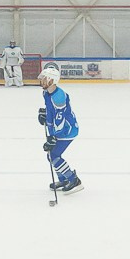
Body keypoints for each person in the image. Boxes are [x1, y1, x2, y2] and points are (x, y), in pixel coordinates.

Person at [38, 64, 83, 196]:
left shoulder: (59, 97)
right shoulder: (47, 93)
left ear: (52, 80)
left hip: (67, 131)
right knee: (51, 156)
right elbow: (51, 110)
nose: (42, 81)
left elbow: (60, 119)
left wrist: (53, 136)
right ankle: (63, 180)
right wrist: (45, 115)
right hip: (59, 130)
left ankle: (74, 180)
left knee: (53, 155)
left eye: (45, 78)